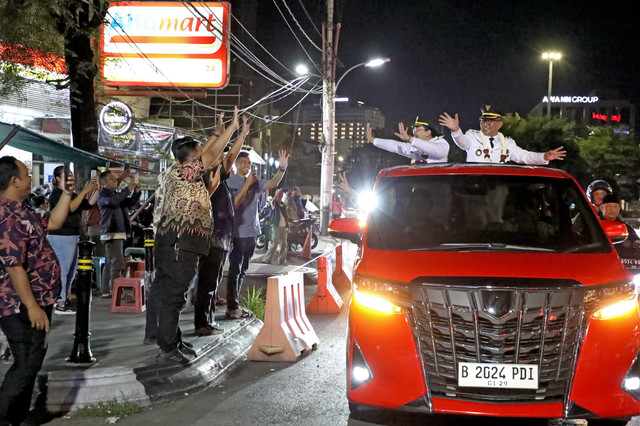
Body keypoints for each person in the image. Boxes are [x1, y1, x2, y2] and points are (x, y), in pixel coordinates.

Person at [148, 107, 237, 364]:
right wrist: (231, 130)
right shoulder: (183, 173)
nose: (205, 160)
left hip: (174, 243)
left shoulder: (176, 173)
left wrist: (215, 133)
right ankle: (167, 347)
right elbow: (210, 155)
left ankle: (172, 340)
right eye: (199, 156)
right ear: (192, 159)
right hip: (179, 243)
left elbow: (207, 151)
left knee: (171, 293)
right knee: (174, 295)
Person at [0, 156, 73, 426]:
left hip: (39, 298)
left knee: (32, 360)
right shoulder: (7, 216)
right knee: (26, 362)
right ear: (14, 181)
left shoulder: (23, 209)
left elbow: (53, 222)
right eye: (26, 174)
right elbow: (14, 266)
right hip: (18, 303)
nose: (31, 178)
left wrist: (66, 194)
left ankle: (17, 418)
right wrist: (32, 307)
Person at [193, 113, 249, 337]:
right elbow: (227, 155)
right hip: (211, 237)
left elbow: (231, 155)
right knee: (207, 281)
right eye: (214, 155)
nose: (220, 158)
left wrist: (241, 134)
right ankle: (201, 322)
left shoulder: (217, 175)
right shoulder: (203, 176)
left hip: (221, 237)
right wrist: (230, 131)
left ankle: (208, 319)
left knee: (213, 280)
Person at [225, 149, 289, 319]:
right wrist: (246, 184)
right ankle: (232, 306)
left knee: (244, 269)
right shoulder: (230, 183)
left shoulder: (254, 183)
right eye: (244, 162)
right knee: (235, 269)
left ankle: (235, 303)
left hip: (252, 232)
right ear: (236, 164)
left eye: (249, 163)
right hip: (237, 233)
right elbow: (235, 204)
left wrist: (282, 169)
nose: (247, 166)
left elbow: (273, 183)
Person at [439, 104, 566, 164]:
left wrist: (544, 156)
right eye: (483, 120)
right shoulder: (472, 136)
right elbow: (462, 142)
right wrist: (456, 130)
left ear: (499, 124)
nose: (486, 124)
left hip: (498, 191)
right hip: (474, 190)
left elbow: (524, 156)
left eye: (490, 121)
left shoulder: (507, 143)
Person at [47, 166, 99, 314]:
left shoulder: (72, 194)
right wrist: (83, 191)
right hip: (60, 236)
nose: (70, 178)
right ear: (57, 179)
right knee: (62, 269)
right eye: (66, 176)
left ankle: (64, 298)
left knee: (71, 270)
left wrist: (96, 189)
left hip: (72, 235)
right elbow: (69, 208)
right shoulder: (57, 194)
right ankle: (60, 302)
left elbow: (88, 205)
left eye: (71, 175)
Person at [97, 170, 142, 298]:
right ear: (103, 183)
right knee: (116, 262)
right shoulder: (103, 196)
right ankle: (115, 289)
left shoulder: (115, 194)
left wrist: (136, 192)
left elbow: (128, 202)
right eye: (111, 179)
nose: (115, 180)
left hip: (117, 232)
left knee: (111, 262)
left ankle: (107, 289)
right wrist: (127, 189)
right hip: (112, 232)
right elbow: (114, 202)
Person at [365, 117, 449, 163]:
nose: (414, 133)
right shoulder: (415, 148)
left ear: (428, 132)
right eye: (413, 131)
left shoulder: (441, 143)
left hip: (438, 189)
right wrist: (373, 140)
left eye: (417, 130)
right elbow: (394, 146)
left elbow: (435, 150)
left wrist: (410, 139)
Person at [599, 192, 640, 271]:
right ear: (601, 208)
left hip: (624, 269)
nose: (612, 209)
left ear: (619, 208)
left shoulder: (626, 227)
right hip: (602, 266)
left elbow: (636, 241)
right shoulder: (594, 226)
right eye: (609, 206)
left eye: (615, 206)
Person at [263, 188, 290, 265]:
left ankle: (281, 260)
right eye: (279, 194)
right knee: (274, 243)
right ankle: (267, 259)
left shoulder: (282, 204)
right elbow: (273, 201)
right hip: (275, 225)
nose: (280, 196)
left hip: (283, 226)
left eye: (281, 194)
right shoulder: (273, 204)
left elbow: (285, 216)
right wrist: (277, 193)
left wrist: (287, 226)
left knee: (284, 243)